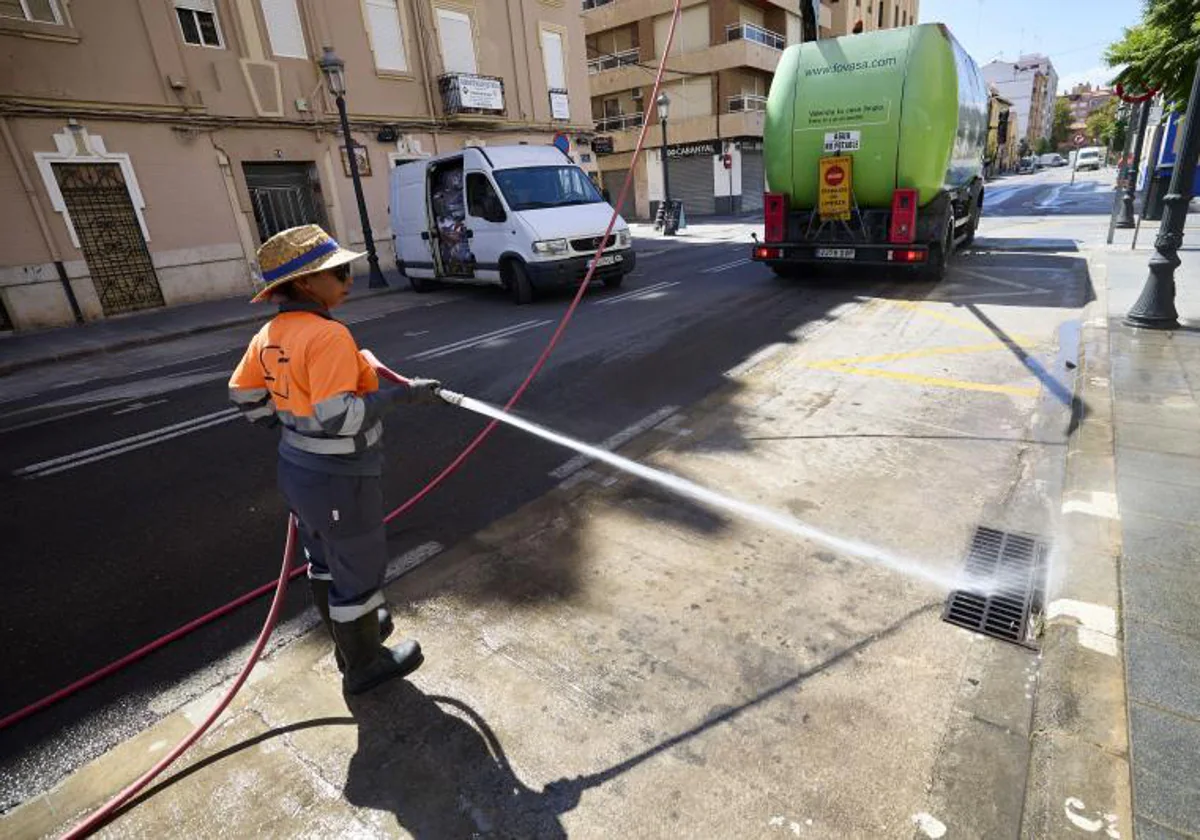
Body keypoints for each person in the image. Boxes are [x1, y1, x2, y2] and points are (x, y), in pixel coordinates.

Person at [228, 224, 444, 695]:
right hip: (340, 478)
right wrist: (401, 397)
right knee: (360, 571)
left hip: (297, 472)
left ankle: (350, 639)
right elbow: (339, 417)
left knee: (325, 562)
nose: (350, 280)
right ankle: (363, 665)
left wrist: (283, 423)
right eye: (340, 272)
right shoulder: (329, 336)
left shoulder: (271, 331)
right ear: (307, 283)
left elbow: (242, 392)